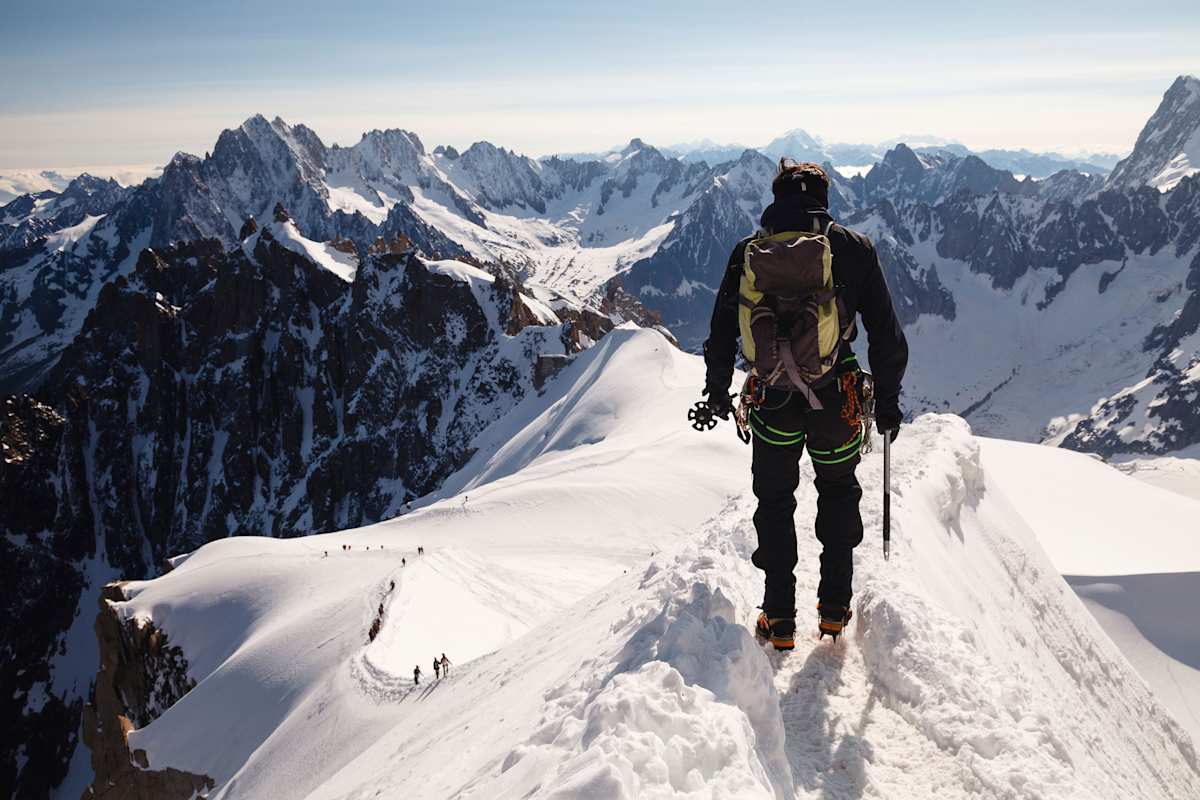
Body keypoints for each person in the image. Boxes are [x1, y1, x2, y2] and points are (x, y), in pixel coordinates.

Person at [701, 159, 908, 649]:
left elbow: (720, 332)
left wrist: (715, 391)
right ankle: (834, 610)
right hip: (837, 400)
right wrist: (890, 401)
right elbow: (886, 335)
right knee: (837, 492)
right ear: (824, 196)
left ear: (776, 197)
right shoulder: (853, 249)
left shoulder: (748, 251)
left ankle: (779, 618)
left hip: (772, 401)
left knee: (774, 502)